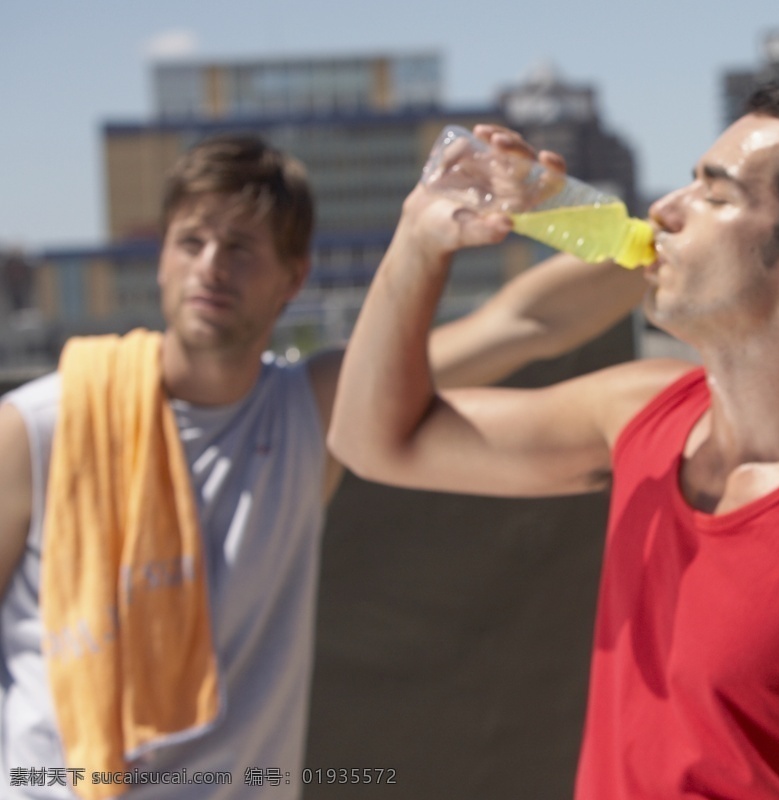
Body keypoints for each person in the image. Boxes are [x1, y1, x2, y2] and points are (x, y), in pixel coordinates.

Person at [329, 81, 779, 800]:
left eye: (714, 194)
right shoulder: (641, 409)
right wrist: (419, 241)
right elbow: (372, 439)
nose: (664, 210)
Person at [0, 135, 648, 798]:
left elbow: (524, 323)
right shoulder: (36, 428)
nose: (212, 267)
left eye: (242, 248)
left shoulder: (309, 412)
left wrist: (597, 220)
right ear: (162, 260)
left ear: (294, 277)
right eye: (191, 242)